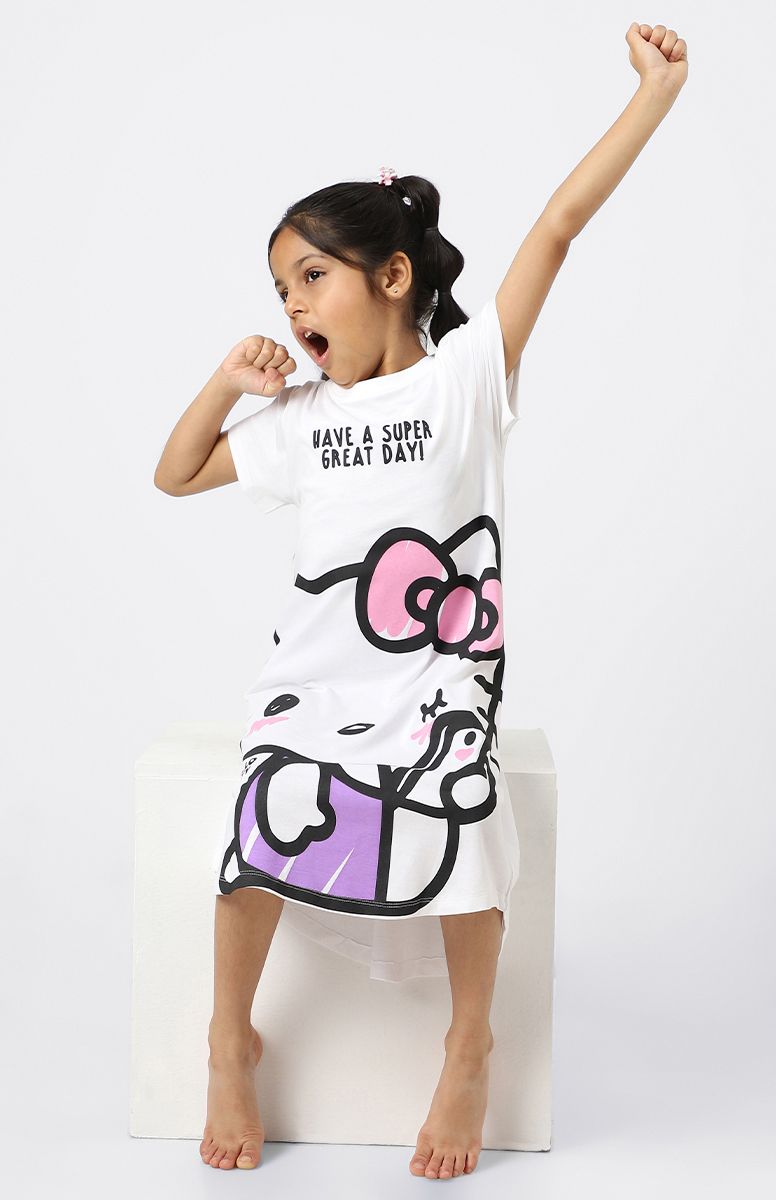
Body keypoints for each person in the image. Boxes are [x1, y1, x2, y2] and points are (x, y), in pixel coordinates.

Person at [153, 21, 688, 1179]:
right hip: (314, 682)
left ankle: (467, 1046)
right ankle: (227, 1041)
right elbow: (177, 474)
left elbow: (557, 225)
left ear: (391, 279)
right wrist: (226, 382)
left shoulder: (464, 379)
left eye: (311, 277)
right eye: (280, 288)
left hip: (438, 675)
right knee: (252, 839)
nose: (292, 305)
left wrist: (652, 94)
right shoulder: (302, 419)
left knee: (465, 829)